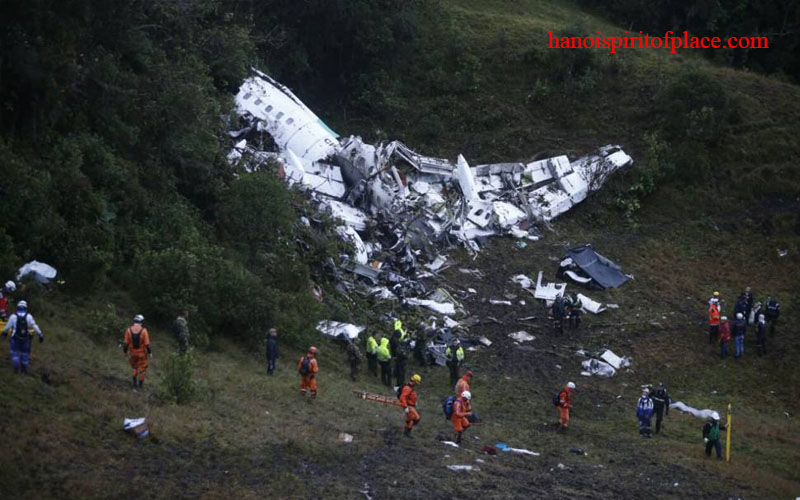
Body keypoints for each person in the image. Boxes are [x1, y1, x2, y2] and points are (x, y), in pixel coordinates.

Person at [2, 301, 44, 374]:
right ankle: (24, 371)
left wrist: (4, 333)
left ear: (17, 307)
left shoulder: (13, 316)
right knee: (25, 354)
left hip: (15, 338)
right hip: (26, 338)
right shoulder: (29, 316)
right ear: (25, 307)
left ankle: (16, 368)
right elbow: (34, 326)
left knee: (14, 353)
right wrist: (40, 335)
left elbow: (7, 328)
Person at [122, 314, 152, 388]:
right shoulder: (144, 331)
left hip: (132, 353)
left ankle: (134, 384)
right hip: (142, 354)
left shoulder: (128, 330)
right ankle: (140, 386)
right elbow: (147, 344)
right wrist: (150, 353)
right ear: (141, 322)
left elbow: (125, 344)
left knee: (134, 367)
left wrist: (125, 353)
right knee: (142, 369)